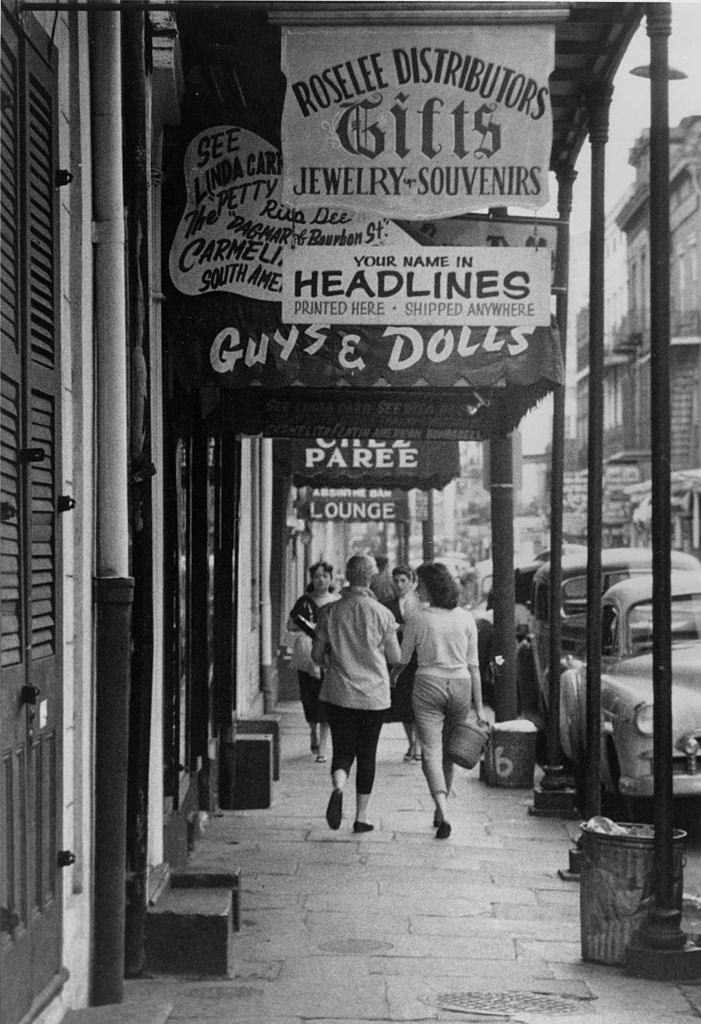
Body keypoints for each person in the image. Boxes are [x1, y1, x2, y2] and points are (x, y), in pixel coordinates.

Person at [391, 561, 488, 840]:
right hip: (461, 685)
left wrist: (395, 676)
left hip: (428, 685)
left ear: (430, 588)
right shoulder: (466, 618)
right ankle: (439, 812)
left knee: (430, 751)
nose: (417, 588)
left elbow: (404, 658)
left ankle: (443, 810)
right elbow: (475, 666)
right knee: (450, 750)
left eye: (420, 584)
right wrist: (479, 709)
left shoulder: (418, 619)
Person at [311, 553, 400, 833]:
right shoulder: (383, 614)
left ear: (346, 577)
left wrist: (332, 662)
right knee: (367, 754)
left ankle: (338, 786)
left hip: (339, 693)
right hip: (373, 696)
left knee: (342, 749)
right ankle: (361, 817)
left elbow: (316, 655)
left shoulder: (330, 612)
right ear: (371, 577)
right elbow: (395, 657)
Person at [287, 561, 339, 762]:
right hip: (307, 657)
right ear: (311, 579)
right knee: (309, 698)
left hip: (328, 657)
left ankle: (324, 746)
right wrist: (305, 626)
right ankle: (313, 729)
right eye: (316, 576)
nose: (320, 580)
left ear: (330, 578)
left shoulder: (336, 601)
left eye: (324, 576)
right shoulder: (304, 601)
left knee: (327, 700)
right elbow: (290, 625)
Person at [384, 564, 422, 762]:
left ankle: (418, 745)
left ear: (411, 581)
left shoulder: (419, 602)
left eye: (403, 581)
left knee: (417, 701)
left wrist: (402, 627)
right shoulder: (388, 605)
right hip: (398, 657)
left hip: (417, 657)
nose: (399, 585)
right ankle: (411, 743)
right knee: (403, 702)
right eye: (396, 581)